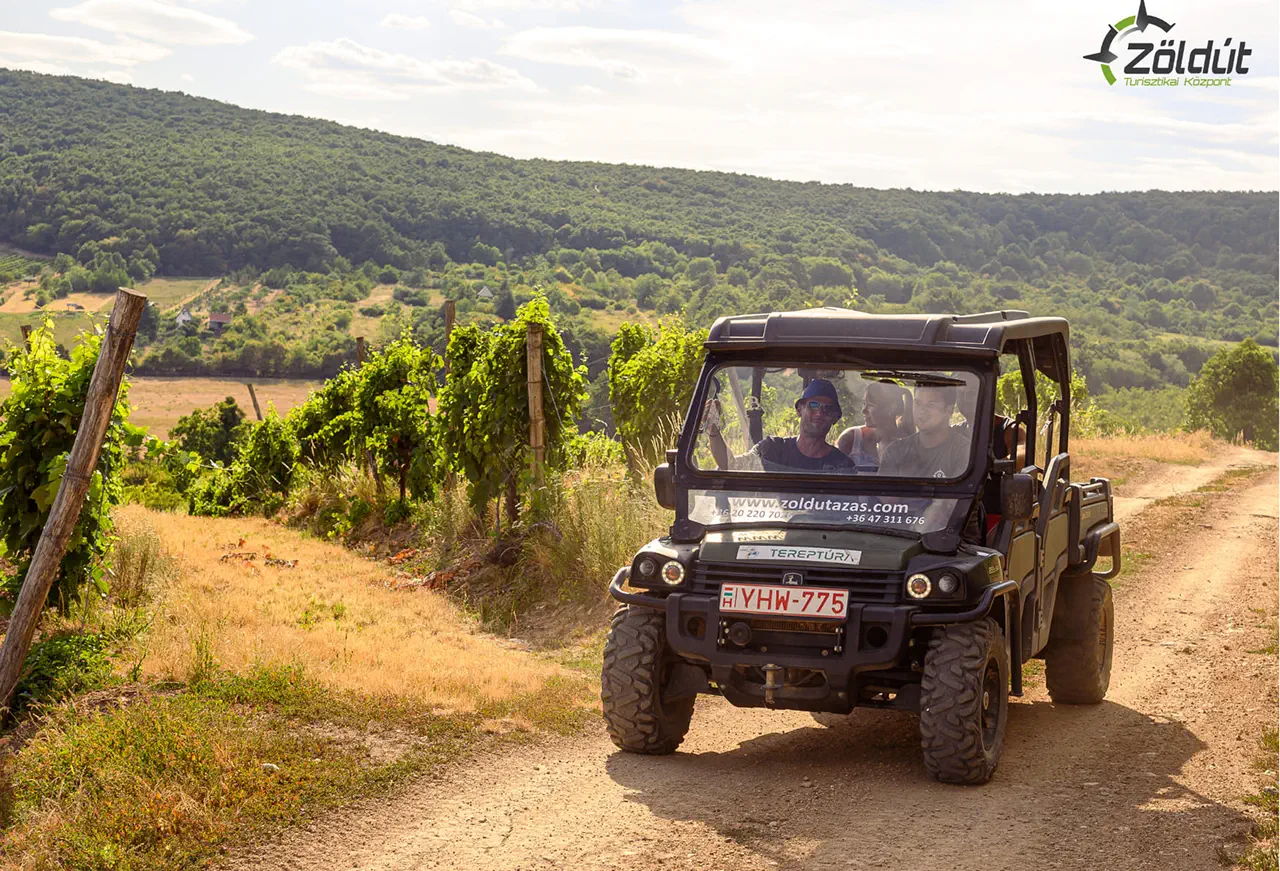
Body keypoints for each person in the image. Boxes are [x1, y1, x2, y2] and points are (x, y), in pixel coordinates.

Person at [705, 378, 854, 473]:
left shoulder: (842, 465)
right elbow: (730, 465)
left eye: (828, 409)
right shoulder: (772, 448)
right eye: (814, 405)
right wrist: (713, 428)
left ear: (834, 418)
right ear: (799, 410)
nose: (819, 413)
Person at [878, 384, 971, 479]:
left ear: (949, 410)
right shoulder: (895, 451)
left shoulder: (965, 452)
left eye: (930, 405)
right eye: (918, 403)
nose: (921, 411)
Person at [836, 381, 914, 468]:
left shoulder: (908, 445)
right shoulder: (851, 438)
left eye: (870, 405)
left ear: (892, 408)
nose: (863, 410)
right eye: (864, 403)